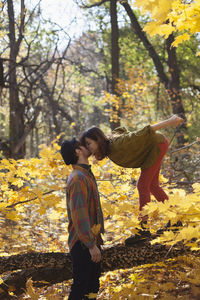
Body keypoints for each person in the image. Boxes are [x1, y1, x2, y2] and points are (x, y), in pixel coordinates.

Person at [80, 115, 183, 238]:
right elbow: (120, 131)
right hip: (154, 147)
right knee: (153, 186)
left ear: (98, 139)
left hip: (157, 145)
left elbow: (144, 132)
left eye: (89, 143)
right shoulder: (110, 148)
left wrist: (170, 121)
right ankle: (176, 220)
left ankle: (143, 228)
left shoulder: (118, 144)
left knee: (143, 185)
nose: (88, 147)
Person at [60, 137, 104, 300]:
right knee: (80, 290)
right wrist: (90, 245)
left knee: (91, 288)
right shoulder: (78, 178)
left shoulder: (85, 174)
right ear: (78, 152)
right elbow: (79, 214)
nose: (87, 146)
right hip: (83, 243)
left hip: (90, 240)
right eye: (82, 145)